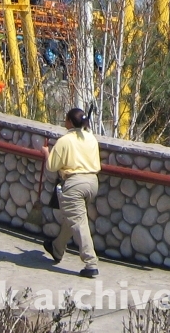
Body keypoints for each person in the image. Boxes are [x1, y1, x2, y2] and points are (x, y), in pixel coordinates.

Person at [42, 107, 101, 278]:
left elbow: (51, 167)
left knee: (79, 223)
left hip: (74, 183)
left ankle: (91, 263)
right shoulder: (91, 137)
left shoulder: (65, 140)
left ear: (69, 121)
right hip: (92, 183)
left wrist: (46, 153)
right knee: (74, 217)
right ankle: (57, 248)